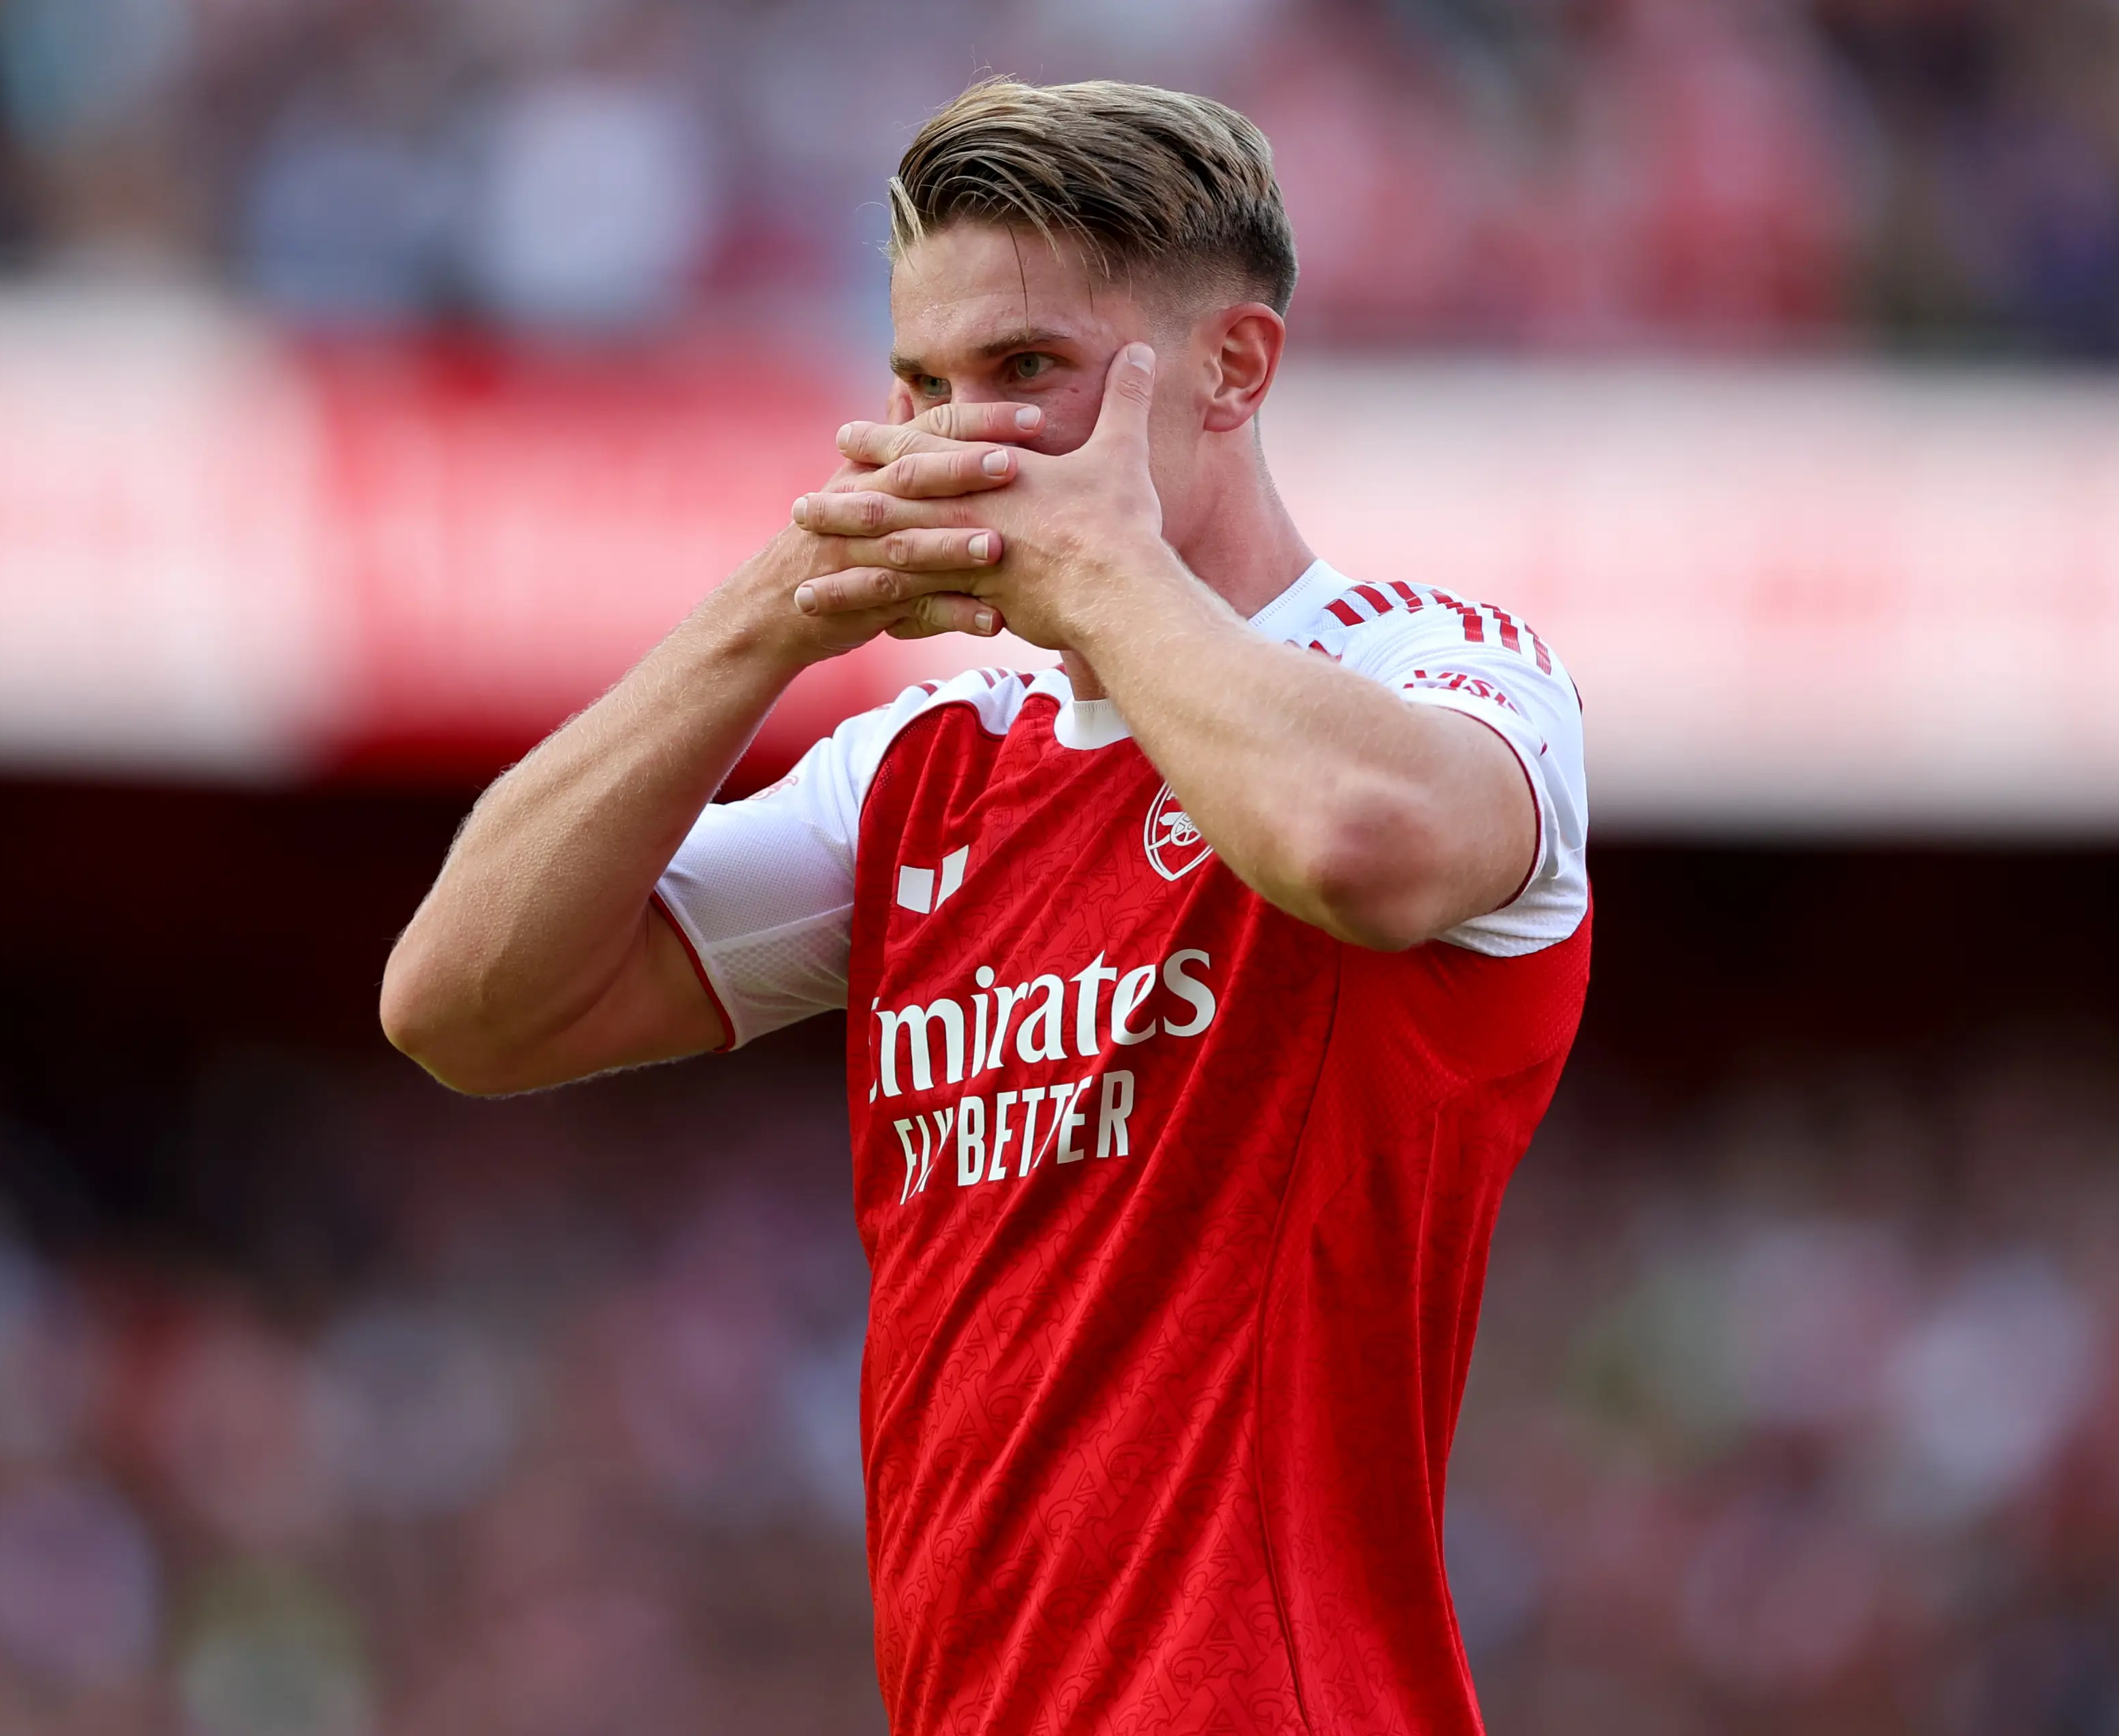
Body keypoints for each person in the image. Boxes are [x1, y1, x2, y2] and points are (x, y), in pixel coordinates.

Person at [382, 77, 1589, 1736]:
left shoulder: (1434, 673)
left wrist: (1102, 573)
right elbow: (460, 1004)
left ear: (1234, 370)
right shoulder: (924, 767)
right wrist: (775, 609)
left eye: (1028, 371)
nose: (962, 440)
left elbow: (1352, 844)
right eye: (923, 384)